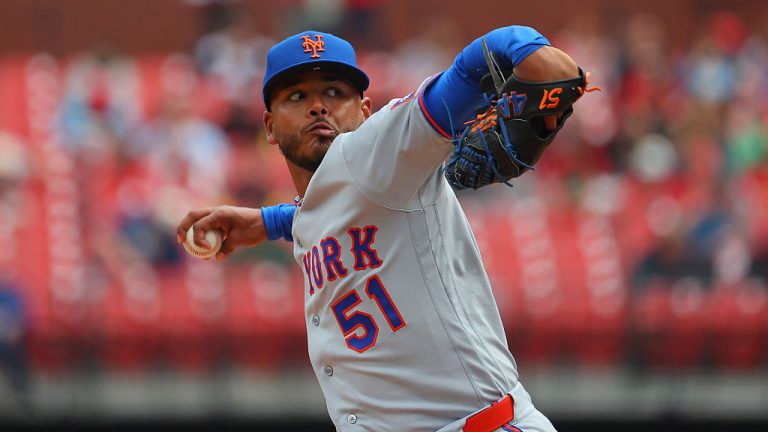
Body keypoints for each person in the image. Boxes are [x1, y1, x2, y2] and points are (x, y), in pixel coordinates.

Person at [178, 26, 584, 431]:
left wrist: (521, 43)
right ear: (269, 126)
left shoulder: (374, 148)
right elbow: (328, 208)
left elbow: (467, 73)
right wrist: (269, 221)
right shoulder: (332, 199)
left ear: (366, 112)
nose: (319, 106)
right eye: (297, 96)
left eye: (335, 92)